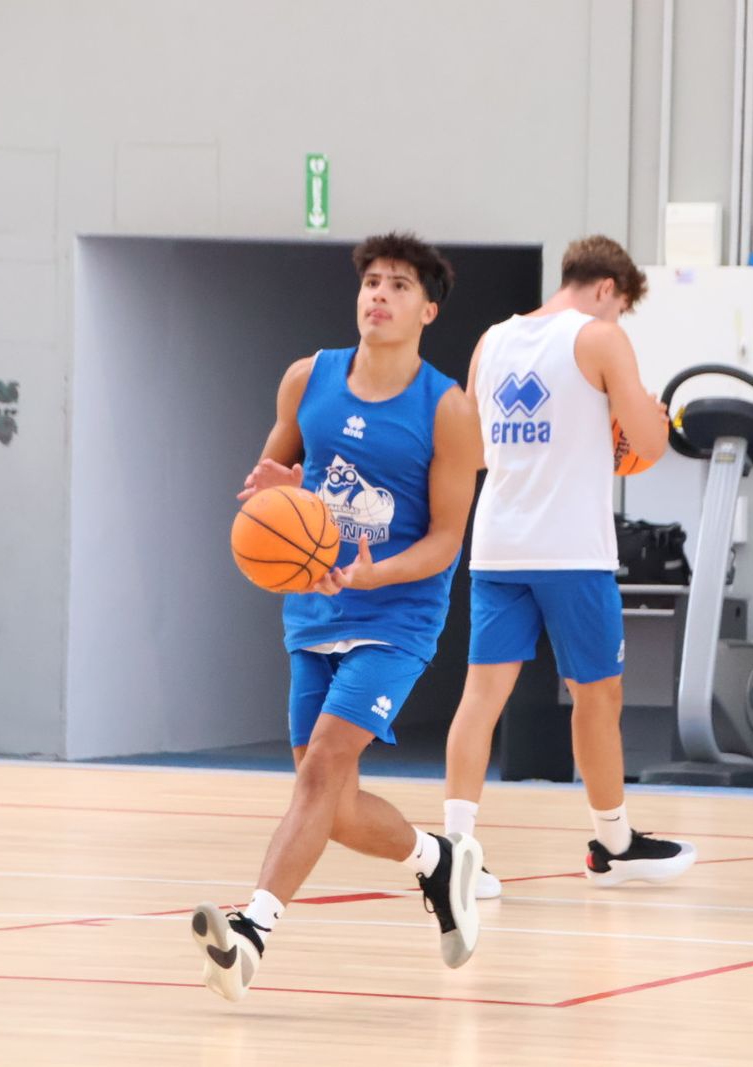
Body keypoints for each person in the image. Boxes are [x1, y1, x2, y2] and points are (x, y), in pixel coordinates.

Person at [191, 233, 485, 1002]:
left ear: (428, 308)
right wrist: (273, 490)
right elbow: (272, 481)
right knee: (331, 798)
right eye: (371, 283)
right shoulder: (307, 378)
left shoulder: (448, 408)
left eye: (397, 285)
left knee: (322, 766)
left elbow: (449, 537)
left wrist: (374, 570)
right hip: (314, 609)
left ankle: (252, 929)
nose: (378, 295)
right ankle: (436, 859)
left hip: (398, 612)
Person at [440, 235, 697, 899]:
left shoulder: (492, 341)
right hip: (571, 548)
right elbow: (648, 442)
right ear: (609, 289)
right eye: (620, 309)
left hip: (498, 543)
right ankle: (613, 844)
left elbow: (470, 447)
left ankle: (459, 849)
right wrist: (643, 419)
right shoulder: (600, 339)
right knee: (597, 694)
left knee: (480, 698)